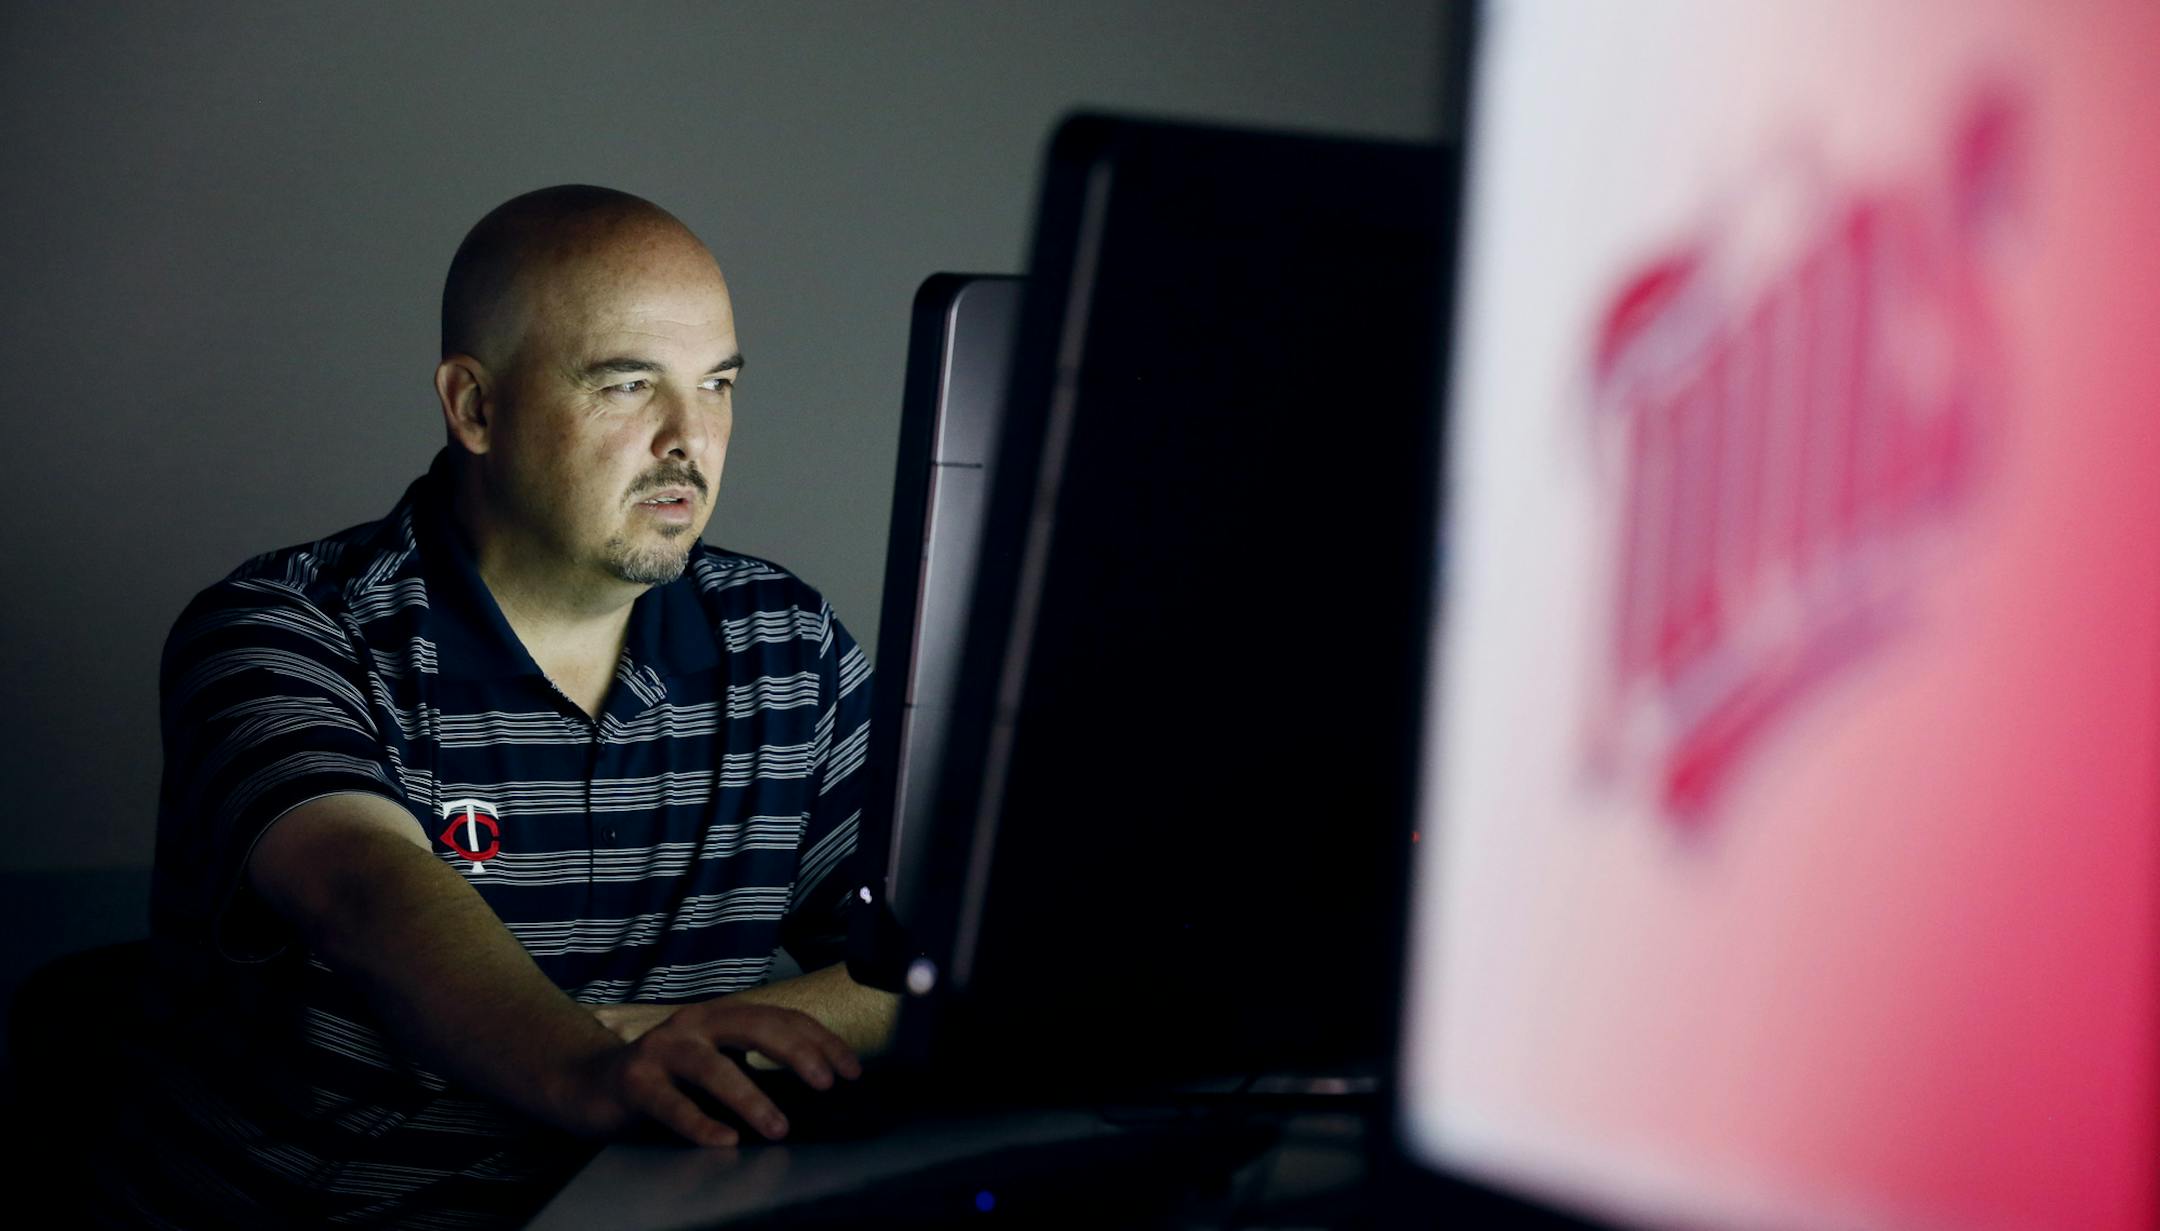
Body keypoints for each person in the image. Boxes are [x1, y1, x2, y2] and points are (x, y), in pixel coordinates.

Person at [117, 185, 897, 1228]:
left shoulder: (786, 642)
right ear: (476, 406)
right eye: (628, 385)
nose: (689, 438)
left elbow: (937, 957)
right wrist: (592, 1071)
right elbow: (361, 886)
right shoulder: (281, 630)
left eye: (715, 384)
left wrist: (661, 1036)